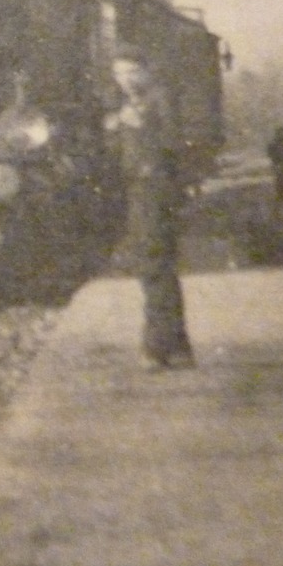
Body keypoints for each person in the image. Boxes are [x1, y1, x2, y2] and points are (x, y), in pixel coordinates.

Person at [107, 46, 195, 370]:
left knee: (153, 263)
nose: (124, 80)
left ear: (146, 71)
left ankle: (156, 347)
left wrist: (137, 124)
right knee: (156, 266)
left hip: (154, 191)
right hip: (138, 191)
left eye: (131, 72)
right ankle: (178, 346)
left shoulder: (159, 99)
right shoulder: (129, 105)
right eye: (118, 73)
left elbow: (172, 143)